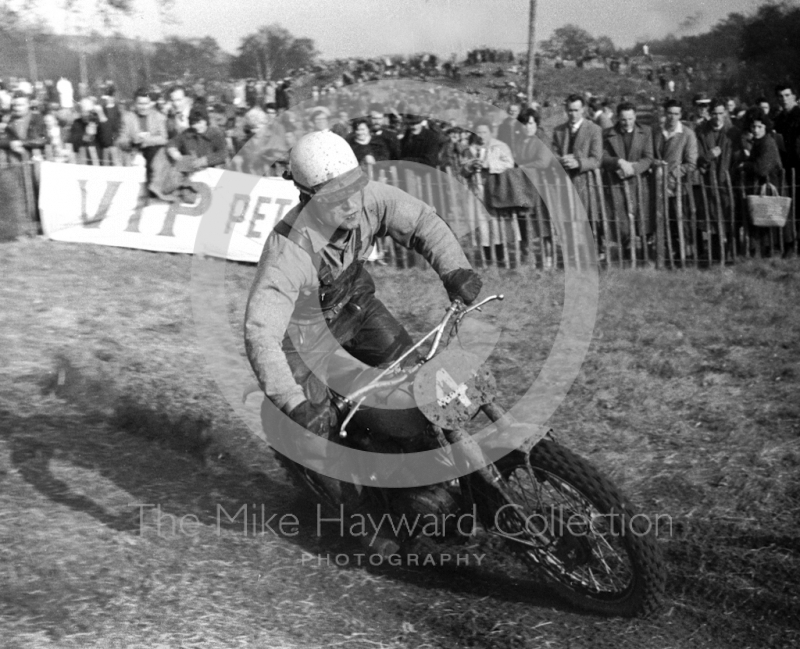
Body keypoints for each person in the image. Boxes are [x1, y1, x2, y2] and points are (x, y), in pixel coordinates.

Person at [244, 131, 482, 556]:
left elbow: (424, 221)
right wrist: (293, 403)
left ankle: (433, 484)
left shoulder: (371, 197)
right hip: (302, 341)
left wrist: (455, 271)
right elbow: (261, 330)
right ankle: (362, 517)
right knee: (316, 435)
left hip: (356, 309)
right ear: (308, 197)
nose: (353, 202)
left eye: (355, 186)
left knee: (420, 387)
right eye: (337, 196)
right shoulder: (289, 249)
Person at [601, 101, 654, 254]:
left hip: (639, 181)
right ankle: (626, 250)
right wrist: (618, 162)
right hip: (617, 181)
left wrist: (633, 169)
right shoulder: (608, 133)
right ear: (618, 118)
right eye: (623, 119)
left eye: (630, 118)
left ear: (635, 116)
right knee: (621, 216)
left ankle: (646, 250)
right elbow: (602, 157)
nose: (627, 122)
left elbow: (648, 158)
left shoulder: (646, 132)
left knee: (643, 216)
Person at [116, 87, 169, 199]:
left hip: (152, 152)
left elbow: (164, 138)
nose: (143, 107)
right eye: (140, 104)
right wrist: (130, 142)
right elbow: (121, 138)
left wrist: (146, 140)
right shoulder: (128, 117)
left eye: (146, 104)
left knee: (154, 155)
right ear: (135, 103)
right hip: (134, 152)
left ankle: (153, 192)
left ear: (151, 103)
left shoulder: (159, 117)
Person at [0, 92, 47, 161]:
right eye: (14, 105)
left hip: (35, 156)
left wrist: (21, 143)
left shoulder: (37, 118)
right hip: (13, 157)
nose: (16, 108)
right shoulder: (8, 120)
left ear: (28, 105)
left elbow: (42, 140)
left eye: (20, 105)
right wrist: (10, 143)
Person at [68, 97, 115, 164]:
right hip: (83, 162)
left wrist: (101, 114)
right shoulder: (77, 123)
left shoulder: (99, 122)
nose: (86, 114)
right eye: (84, 111)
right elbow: (74, 144)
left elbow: (108, 142)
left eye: (89, 111)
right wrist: (86, 136)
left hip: (100, 162)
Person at [773, 84, 800, 175]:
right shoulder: (779, 119)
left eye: (787, 95)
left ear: (794, 96)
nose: (784, 99)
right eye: (781, 96)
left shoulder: (798, 116)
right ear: (777, 99)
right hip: (787, 163)